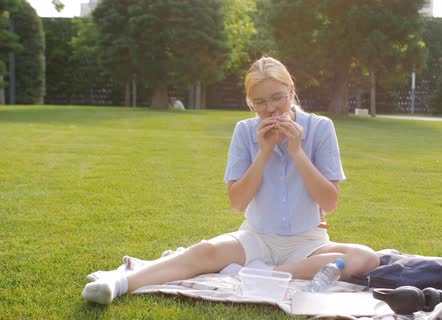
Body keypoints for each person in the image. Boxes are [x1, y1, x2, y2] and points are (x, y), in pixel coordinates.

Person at [82, 56, 380, 305]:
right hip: (256, 237)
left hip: (309, 243)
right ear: (250, 103)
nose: (271, 109)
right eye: (260, 102)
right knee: (203, 251)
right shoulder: (244, 131)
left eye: (278, 97)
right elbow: (237, 203)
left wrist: (297, 152)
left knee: (365, 258)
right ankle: (120, 283)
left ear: (291, 90)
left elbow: (330, 201)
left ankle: (267, 272)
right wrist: (262, 153)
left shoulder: (320, 127)